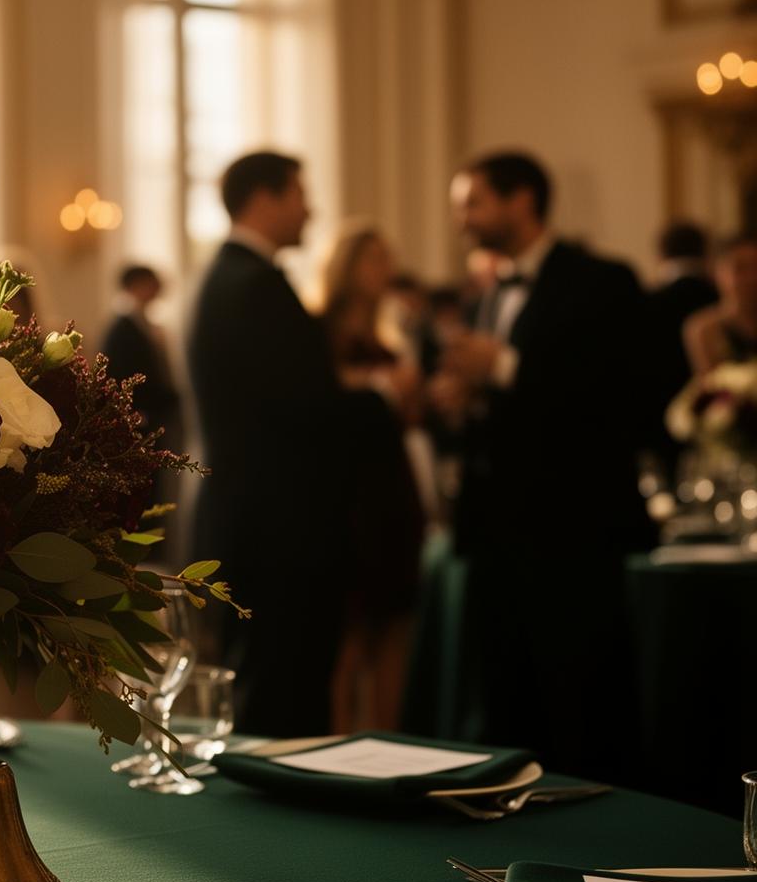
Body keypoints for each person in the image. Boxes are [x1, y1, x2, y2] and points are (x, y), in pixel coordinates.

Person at [439, 150, 653, 778]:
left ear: (522, 200)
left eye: (472, 202)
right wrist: (464, 401)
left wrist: (502, 369)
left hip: (573, 534)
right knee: (505, 706)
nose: (461, 221)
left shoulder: (602, 280)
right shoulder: (486, 293)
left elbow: (615, 395)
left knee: (579, 706)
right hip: (495, 537)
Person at [186, 151, 348, 736]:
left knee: (270, 690)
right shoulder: (255, 284)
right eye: (300, 194)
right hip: (280, 529)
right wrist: (381, 399)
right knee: (283, 703)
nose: (312, 208)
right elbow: (305, 405)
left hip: (251, 518)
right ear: (264, 199)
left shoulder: (226, 278)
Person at [317, 225, 427, 733]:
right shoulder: (317, 333)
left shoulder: (392, 336)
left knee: (395, 623)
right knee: (348, 632)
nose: (383, 269)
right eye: (371, 258)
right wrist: (378, 385)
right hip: (346, 493)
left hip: (393, 490)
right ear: (346, 265)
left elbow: (406, 421)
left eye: (387, 258)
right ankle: (339, 742)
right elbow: (320, 407)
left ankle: (387, 740)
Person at [647, 222, 720, 472]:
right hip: (726, 422)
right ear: (705, 253)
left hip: (660, 425)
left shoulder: (647, 303)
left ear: (660, 254)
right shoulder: (719, 299)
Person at [100, 264, 183, 454]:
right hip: (139, 418)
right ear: (135, 286)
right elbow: (122, 374)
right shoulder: (122, 329)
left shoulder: (144, 324)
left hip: (153, 415)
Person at [683, 232, 757, 374]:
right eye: (741, 268)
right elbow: (713, 385)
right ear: (716, 273)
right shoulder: (704, 329)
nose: (752, 278)